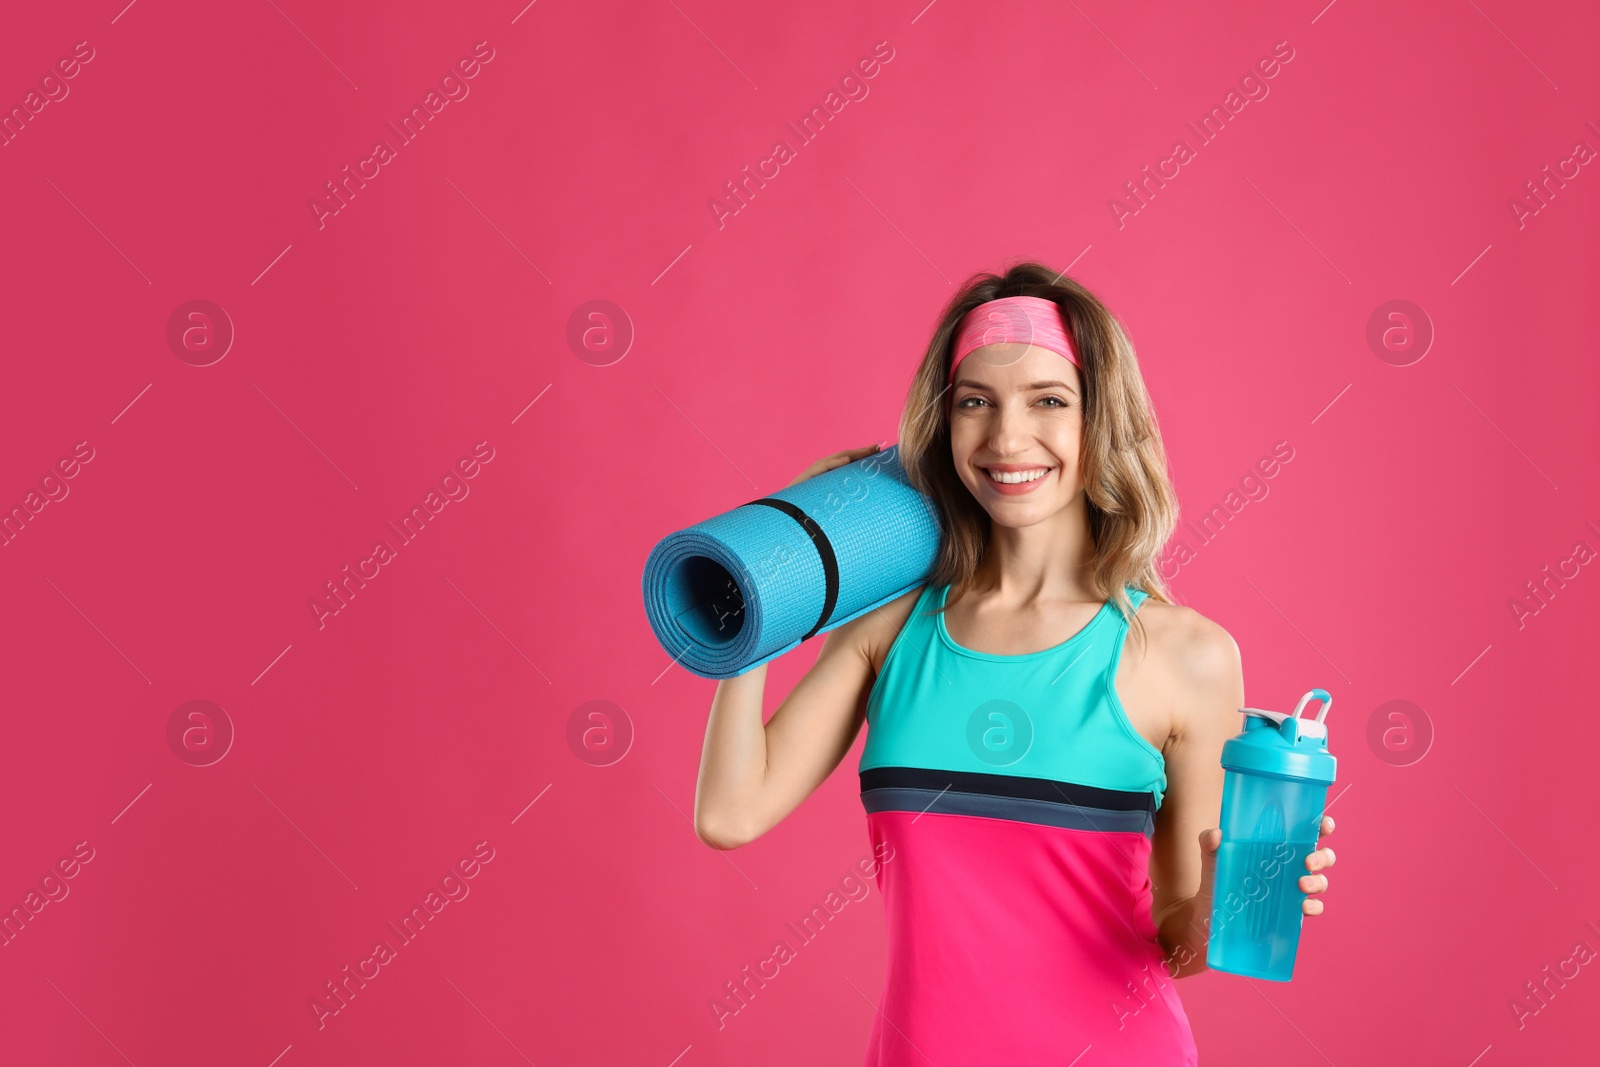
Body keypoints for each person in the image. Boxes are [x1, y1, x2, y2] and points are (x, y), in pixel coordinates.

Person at [692, 261, 1337, 1065]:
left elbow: (1178, 942)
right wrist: (765, 585)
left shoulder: (1184, 655)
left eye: (1048, 401)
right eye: (975, 403)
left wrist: (1222, 893)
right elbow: (729, 812)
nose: (1006, 438)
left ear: (1100, 421)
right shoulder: (894, 625)